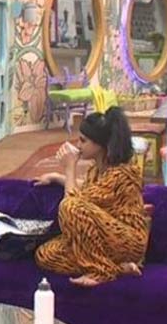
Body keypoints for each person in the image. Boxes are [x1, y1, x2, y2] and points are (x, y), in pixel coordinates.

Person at [33, 107, 148, 287]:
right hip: (103, 239)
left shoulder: (122, 174)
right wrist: (57, 177)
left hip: (127, 240)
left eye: (83, 140)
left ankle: (102, 272)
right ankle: (119, 268)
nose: (78, 146)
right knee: (45, 255)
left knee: (70, 207)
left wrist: (69, 167)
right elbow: (88, 189)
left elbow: (73, 202)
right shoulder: (98, 168)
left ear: (101, 145)